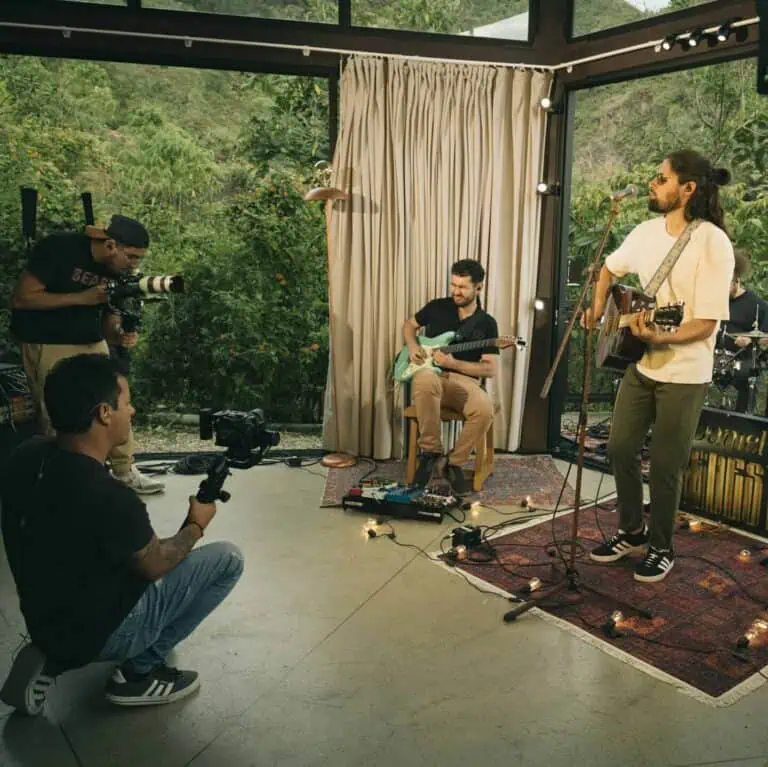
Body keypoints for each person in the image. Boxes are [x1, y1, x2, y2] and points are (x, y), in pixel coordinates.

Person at [0, 354, 243, 715]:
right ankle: (139, 672)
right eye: (126, 402)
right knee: (227, 559)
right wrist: (196, 525)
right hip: (99, 630)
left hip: (44, 618)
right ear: (104, 413)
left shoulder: (26, 457)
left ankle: (53, 659)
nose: (131, 411)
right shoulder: (107, 495)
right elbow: (154, 565)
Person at [583, 149, 734, 583]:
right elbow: (609, 270)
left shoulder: (712, 242)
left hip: (685, 374)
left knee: (666, 466)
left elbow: (704, 324)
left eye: (662, 177)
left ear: (687, 189)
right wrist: (599, 312)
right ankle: (631, 531)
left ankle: (662, 547)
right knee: (619, 448)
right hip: (642, 364)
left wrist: (661, 336)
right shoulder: (645, 232)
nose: (653, 182)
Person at [9, 214, 164, 494]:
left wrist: (118, 333)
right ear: (111, 245)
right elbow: (23, 297)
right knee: (59, 411)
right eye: (131, 257)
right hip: (47, 340)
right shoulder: (59, 249)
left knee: (116, 400)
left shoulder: (116, 270)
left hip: (91, 340)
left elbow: (109, 314)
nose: (134, 264)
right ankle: (68, 480)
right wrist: (82, 298)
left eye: (139, 258)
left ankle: (123, 470)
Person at [402, 259, 499, 496]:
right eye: (453, 285)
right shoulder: (437, 307)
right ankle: (430, 453)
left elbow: (490, 369)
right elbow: (409, 325)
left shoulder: (487, 324)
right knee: (424, 378)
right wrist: (413, 345)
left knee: (485, 410)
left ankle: (452, 463)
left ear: (479, 288)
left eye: (462, 287)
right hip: (431, 377)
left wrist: (454, 364)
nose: (455, 291)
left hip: (463, 383)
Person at [716, 250, 768, 413]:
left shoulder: (758, 305)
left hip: (741, 358)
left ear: (736, 281)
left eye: (726, 286)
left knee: (744, 374)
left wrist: (751, 341)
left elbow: (765, 337)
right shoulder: (717, 300)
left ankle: (740, 419)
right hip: (714, 353)